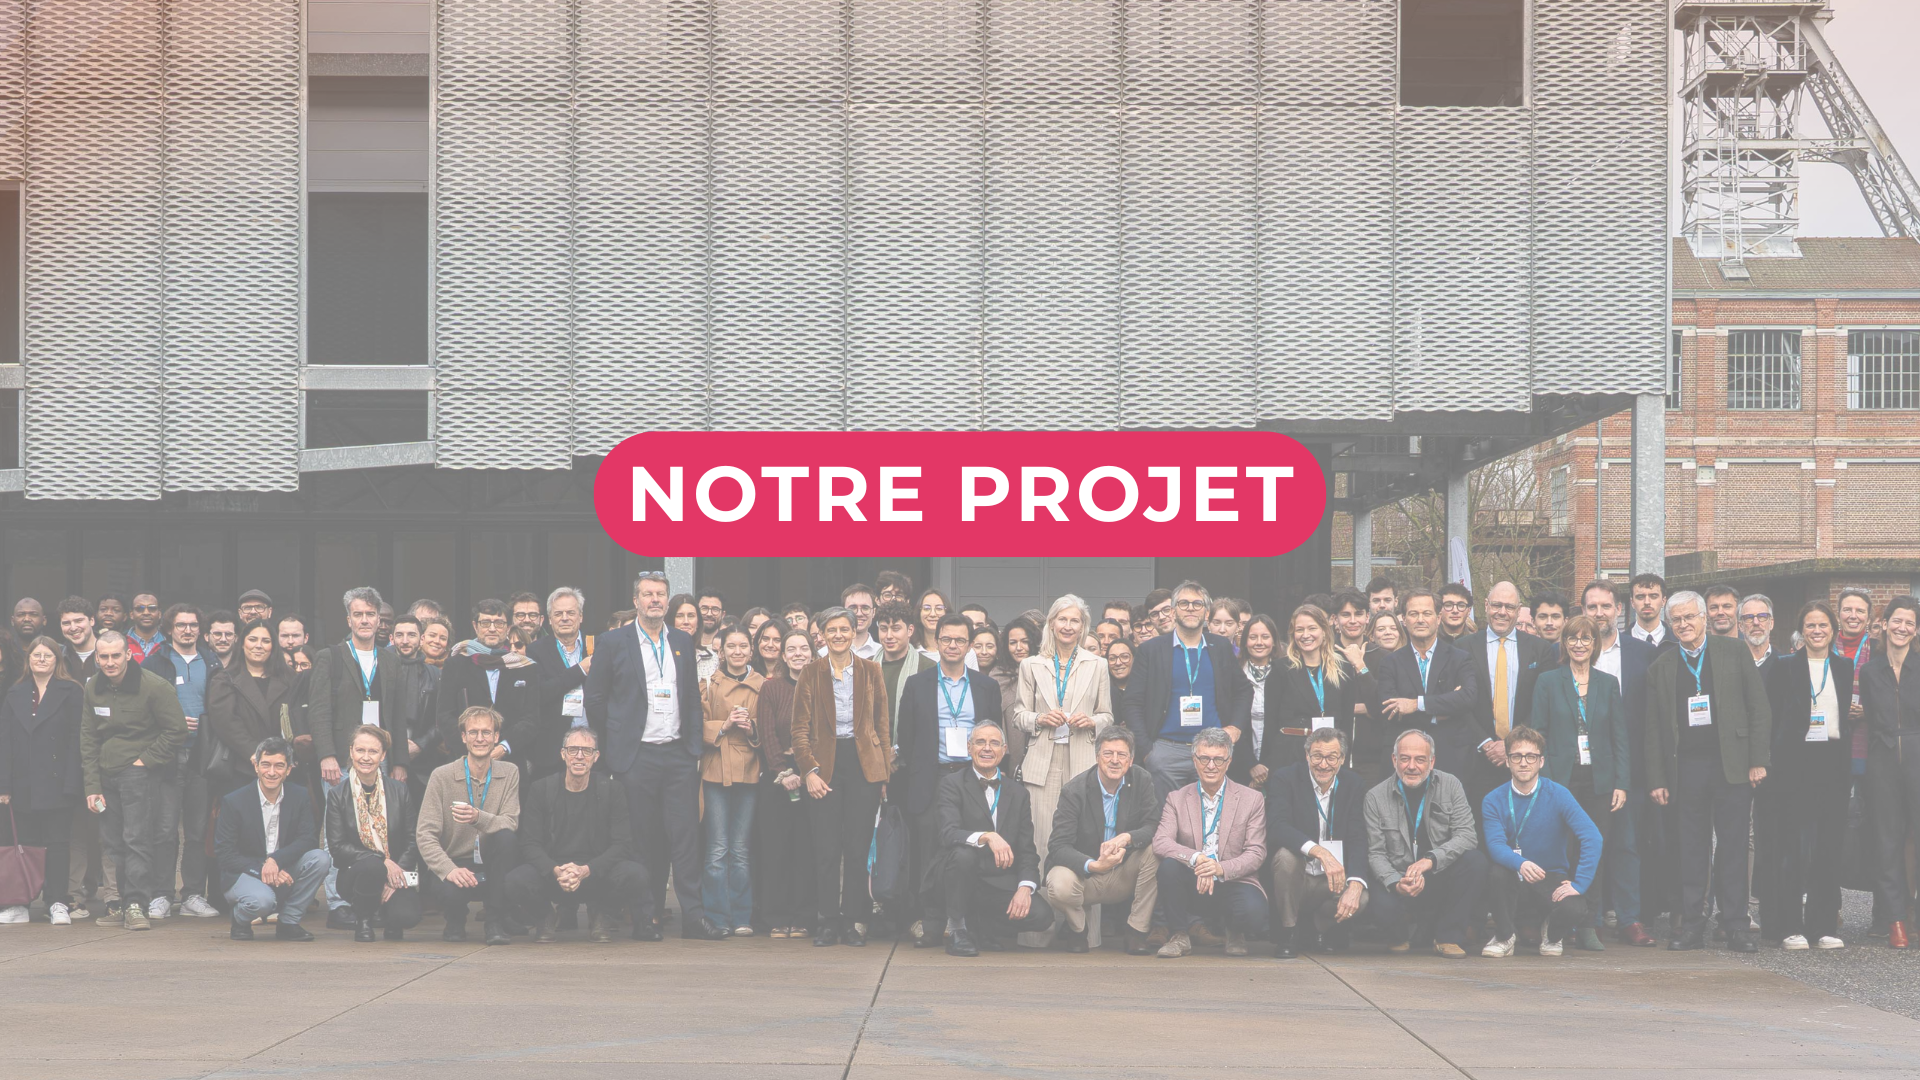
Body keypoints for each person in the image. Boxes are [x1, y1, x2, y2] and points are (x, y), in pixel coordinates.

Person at [582, 571, 725, 940]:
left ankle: (693, 917)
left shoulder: (681, 640)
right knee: (644, 841)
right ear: (636, 601)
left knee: (685, 839)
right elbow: (595, 699)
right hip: (636, 757)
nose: (655, 600)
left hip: (678, 755)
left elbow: (690, 697)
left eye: (661, 594)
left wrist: (693, 747)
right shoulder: (614, 642)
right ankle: (647, 917)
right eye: (648, 594)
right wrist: (614, 746)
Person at [1645, 590, 1772, 952]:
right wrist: (1657, 779)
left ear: (1704, 618)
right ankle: (1691, 925)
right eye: (1677, 619)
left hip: (1732, 765)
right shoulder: (1661, 667)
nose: (1683, 624)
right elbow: (1653, 729)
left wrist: (1757, 759)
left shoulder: (1734, 651)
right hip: (1686, 768)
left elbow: (1758, 708)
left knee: (1733, 847)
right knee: (1691, 849)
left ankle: (1735, 925)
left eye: (1690, 617)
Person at [897, 614, 1004, 948]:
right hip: (932, 778)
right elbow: (906, 736)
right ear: (937, 641)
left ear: (969, 645)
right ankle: (931, 922)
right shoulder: (917, 684)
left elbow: (994, 734)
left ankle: (966, 923)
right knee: (930, 852)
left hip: (973, 779)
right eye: (946, 639)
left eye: (959, 640)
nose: (953, 645)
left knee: (969, 851)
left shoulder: (986, 686)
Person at [790, 606, 892, 947]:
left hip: (864, 766)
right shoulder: (811, 673)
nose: (838, 635)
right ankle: (828, 921)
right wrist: (809, 771)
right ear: (822, 635)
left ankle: (853, 921)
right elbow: (799, 730)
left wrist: (883, 774)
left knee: (858, 848)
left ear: (854, 632)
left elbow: (882, 725)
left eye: (844, 629)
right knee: (827, 849)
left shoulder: (871, 670)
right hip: (825, 766)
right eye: (831, 630)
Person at [1527, 615, 1628, 951]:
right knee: (1562, 851)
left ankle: (1588, 923)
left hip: (1600, 782)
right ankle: (1559, 920)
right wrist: (1541, 781)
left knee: (1592, 850)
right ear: (1564, 643)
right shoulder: (1548, 681)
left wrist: (1621, 783)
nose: (1579, 644)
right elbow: (1538, 732)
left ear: (1594, 644)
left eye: (1586, 638)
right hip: (1560, 780)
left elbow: (1619, 737)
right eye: (1573, 638)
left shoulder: (1607, 683)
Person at [1758, 601, 1851, 950]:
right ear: (1802, 630)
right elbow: (1771, 717)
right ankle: (1789, 926)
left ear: (1833, 630)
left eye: (1823, 625)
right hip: (1793, 766)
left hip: (1833, 763)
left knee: (1828, 847)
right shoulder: (1784, 666)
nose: (1817, 631)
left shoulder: (1843, 667)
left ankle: (1823, 926)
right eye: (1810, 625)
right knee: (1792, 848)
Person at [504, 726, 654, 943]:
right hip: (555, 875)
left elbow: (622, 845)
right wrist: (556, 870)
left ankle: (602, 915)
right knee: (514, 881)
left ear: (596, 757)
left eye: (587, 751)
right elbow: (530, 844)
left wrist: (586, 870)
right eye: (573, 750)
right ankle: (545, 917)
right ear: (563, 754)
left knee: (636, 875)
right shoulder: (541, 789)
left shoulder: (612, 790)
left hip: (596, 875)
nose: (580, 756)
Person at [81, 632, 187, 931]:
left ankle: (137, 905)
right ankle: (123, 903)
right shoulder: (93, 687)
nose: (110, 662)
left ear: (128, 654)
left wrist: (146, 761)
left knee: (136, 840)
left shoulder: (154, 686)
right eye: (104, 656)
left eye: (116, 655)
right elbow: (88, 738)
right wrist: (92, 786)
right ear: (96, 658)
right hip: (106, 775)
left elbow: (177, 730)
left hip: (139, 774)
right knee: (113, 842)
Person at [1583, 579, 1662, 946]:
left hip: (1629, 767)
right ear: (1583, 611)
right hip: (1584, 768)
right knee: (1588, 844)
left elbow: (1651, 714)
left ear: (1618, 609)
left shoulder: (1642, 654)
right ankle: (1592, 918)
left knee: (1627, 844)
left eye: (1605, 606)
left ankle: (1630, 919)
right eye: (1592, 606)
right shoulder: (1569, 651)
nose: (1599, 613)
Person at [1120, 580, 1252, 801]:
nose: (1191, 608)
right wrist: (1148, 752)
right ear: (1173, 611)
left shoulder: (1220, 647)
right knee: (1166, 817)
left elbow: (1244, 691)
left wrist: (1236, 727)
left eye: (1197, 604)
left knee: (1210, 816)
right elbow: (1132, 702)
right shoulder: (1151, 650)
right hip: (1165, 752)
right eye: (1184, 603)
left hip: (1212, 752)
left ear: (1206, 613)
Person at [1479, 726, 1602, 958]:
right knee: (1496, 874)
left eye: (1531, 757)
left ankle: (1552, 934)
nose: (1524, 763)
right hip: (1514, 875)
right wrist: (1521, 863)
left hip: (1549, 876)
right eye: (1517, 756)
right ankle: (1505, 936)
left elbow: (1592, 837)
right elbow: (1495, 845)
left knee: (1575, 907)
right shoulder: (1493, 799)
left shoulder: (1559, 794)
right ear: (1508, 761)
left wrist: (1579, 884)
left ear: (1541, 761)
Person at [1365, 729, 1487, 958]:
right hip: (1398, 878)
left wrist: (1430, 860)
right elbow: (1375, 853)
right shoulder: (1375, 796)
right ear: (1394, 760)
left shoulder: (1451, 785)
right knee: (1378, 900)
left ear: (1432, 762)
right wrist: (1396, 883)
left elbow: (1467, 835)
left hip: (1437, 874)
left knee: (1475, 861)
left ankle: (1448, 937)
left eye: (1420, 759)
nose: (1412, 766)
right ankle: (1399, 935)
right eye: (1405, 759)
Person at [934, 721, 1053, 955]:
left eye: (994, 743)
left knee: (1042, 915)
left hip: (997, 881)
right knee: (963, 855)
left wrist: (1025, 888)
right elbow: (948, 833)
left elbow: (1027, 851)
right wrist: (987, 837)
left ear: (1004, 749)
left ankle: (982, 928)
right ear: (969, 748)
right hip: (958, 876)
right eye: (980, 742)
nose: (987, 748)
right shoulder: (951, 784)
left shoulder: (1018, 793)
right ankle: (957, 929)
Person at [1012, 595, 1111, 876]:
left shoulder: (1098, 665)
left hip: (1082, 758)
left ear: (1083, 627)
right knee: (1040, 834)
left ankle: (1076, 898)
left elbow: (1107, 716)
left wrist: (1091, 721)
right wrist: (1040, 718)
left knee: (1081, 832)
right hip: (1042, 760)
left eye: (1074, 621)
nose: (1068, 626)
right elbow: (1018, 716)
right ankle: (1040, 897)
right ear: (1052, 624)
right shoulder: (1031, 664)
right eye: (1062, 619)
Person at [1151, 727, 1268, 958]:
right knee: (1168, 867)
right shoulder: (1177, 798)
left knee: (1254, 914)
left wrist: (1220, 868)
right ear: (1194, 760)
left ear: (1229, 761)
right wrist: (1197, 859)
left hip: (1232, 879)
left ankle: (1234, 930)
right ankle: (1179, 935)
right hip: (1193, 880)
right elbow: (1161, 841)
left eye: (1218, 759)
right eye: (1204, 758)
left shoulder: (1252, 799)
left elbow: (1256, 852)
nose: (1211, 765)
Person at [1041, 727, 1157, 955]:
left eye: (1121, 755)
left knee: (1158, 850)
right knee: (1058, 882)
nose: (1115, 760)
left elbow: (1153, 826)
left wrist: (1127, 837)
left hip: (1122, 873)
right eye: (1108, 753)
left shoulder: (1141, 779)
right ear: (1097, 757)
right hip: (1086, 876)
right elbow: (1058, 846)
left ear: (1131, 760)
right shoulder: (1074, 790)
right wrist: (1094, 865)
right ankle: (1077, 929)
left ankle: (1136, 931)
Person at [140, 603, 220, 920]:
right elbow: (141, 707)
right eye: (181, 625)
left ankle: (193, 895)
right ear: (169, 628)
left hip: (203, 757)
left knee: (198, 831)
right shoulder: (155, 662)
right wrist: (170, 723)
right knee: (164, 831)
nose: (188, 630)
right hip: (167, 756)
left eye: (193, 625)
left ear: (200, 629)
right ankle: (161, 894)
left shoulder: (212, 662)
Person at [415, 705, 522, 945]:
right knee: (449, 891)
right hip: (455, 861)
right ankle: (455, 919)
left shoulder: (510, 772)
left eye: (486, 732)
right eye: (473, 732)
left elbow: (510, 821)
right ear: (463, 737)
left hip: (490, 862)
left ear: (496, 737)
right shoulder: (441, 775)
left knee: (506, 838)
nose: (480, 738)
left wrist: (477, 817)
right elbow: (425, 834)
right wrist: (449, 869)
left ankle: (494, 920)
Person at [0, 637, 84, 925]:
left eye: (48, 655)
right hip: (22, 783)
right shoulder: (15, 692)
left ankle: (57, 902)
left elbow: (77, 739)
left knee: (58, 844)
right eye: (36, 655)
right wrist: (4, 785)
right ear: (29, 659)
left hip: (58, 782)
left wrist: (73, 783)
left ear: (57, 659)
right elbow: (5, 740)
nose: (42, 660)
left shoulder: (72, 691)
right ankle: (20, 903)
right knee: (24, 844)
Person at [1266, 727, 1370, 958]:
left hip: (1331, 880)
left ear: (1342, 759)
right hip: (1298, 876)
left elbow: (1358, 837)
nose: (1323, 764)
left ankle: (1317, 928)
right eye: (1317, 756)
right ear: (1307, 755)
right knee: (1285, 858)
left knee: (1361, 897)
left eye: (1331, 757)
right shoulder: (1286, 778)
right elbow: (1277, 826)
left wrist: (1355, 884)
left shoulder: (1353, 784)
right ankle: (1288, 932)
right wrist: (1320, 852)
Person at [216, 736, 330, 940]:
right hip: (244, 872)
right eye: (266, 765)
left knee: (320, 859)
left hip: (282, 867)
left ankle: (289, 922)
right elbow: (225, 855)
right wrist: (262, 869)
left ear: (288, 769)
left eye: (279, 766)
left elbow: (308, 839)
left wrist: (275, 861)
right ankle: (240, 919)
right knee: (262, 902)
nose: (271, 772)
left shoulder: (299, 796)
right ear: (256, 766)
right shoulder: (234, 801)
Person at [1858, 596, 1920, 948]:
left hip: (1918, 756)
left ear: (1916, 630)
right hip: (1882, 759)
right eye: (1897, 620)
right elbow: (1871, 716)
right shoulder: (1870, 671)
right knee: (1887, 840)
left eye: (1909, 622)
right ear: (1885, 625)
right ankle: (1894, 918)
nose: (1902, 628)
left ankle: (1916, 916)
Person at [1373, 589, 1481, 789]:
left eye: (1427, 613)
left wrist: (1416, 704)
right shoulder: (1390, 663)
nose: (1420, 620)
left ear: (1438, 618)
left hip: (1452, 757)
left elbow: (1467, 698)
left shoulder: (1459, 658)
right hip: (1404, 762)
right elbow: (1389, 709)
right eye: (1414, 614)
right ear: (1404, 620)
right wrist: (1443, 710)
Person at [325, 725, 424, 942]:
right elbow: (337, 848)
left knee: (407, 916)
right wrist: (381, 861)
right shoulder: (337, 795)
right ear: (351, 752)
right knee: (372, 867)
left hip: (397, 870)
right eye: (360, 750)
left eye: (373, 751)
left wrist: (395, 874)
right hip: (356, 874)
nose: (366, 757)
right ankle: (364, 919)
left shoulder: (399, 790)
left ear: (383, 755)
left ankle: (390, 919)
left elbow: (412, 839)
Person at [1461, 581, 1556, 806]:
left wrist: (1512, 743)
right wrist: (1485, 742)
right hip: (1476, 756)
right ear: (1486, 605)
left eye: (1509, 607)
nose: (1502, 612)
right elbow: (1460, 703)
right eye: (1496, 605)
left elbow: (1543, 704)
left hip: (1524, 757)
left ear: (1518, 609)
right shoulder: (1462, 647)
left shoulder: (1540, 649)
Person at [1261, 606, 1374, 790]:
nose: (1306, 635)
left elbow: (1346, 722)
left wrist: (1343, 759)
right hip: (1290, 753)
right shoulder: (1281, 669)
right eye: (1300, 629)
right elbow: (1270, 722)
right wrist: (1267, 762)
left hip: (1329, 754)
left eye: (1312, 628)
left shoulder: (1343, 669)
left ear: (1324, 631)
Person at [701, 625, 762, 936]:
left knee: (740, 849)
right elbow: (696, 724)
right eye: (731, 646)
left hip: (748, 770)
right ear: (721, 651)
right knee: (717, 849)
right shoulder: (708, 683)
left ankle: (741, 916)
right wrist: (724, 725)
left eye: (743, 646)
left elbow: (771, 730)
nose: (737, 651)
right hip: (716, 769)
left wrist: (752, 728)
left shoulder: (763, 685)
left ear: (751, 651)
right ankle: (716, 916)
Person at [754, 629, 815, 938]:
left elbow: (824, 734)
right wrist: (784, 772)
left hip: (813, 777)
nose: (798, 654)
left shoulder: (822, 687)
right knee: (776, 850)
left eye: (803, 648)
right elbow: (767, 734)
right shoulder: (771, 688)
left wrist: (808, 770)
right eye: (791, 649)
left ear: (813, 653)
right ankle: (776, 916)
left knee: (806, 850)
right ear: (783, 655)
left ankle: (804, 916)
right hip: (777, 779)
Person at [438, 599, 540, 779]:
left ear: (508, 628)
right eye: (485, 623)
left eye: (499, 623)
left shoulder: (525, 667)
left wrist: (504, 747)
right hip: (464, 761)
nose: (492, 629)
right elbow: (444, 716)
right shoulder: (455, 664)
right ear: (475, 626)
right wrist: (474, 748)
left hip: (510, 762)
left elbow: (531, 719)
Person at [205, 621, 298, 797]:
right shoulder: (225, 679)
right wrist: (255, 753)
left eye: (265, 641)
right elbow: (225, 722)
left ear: (273, 646)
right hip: (241, 765)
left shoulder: (289, 678)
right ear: (242, 643)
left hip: (282, 765)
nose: (259, 646)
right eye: (253, 639)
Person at [526, 586, 595, 779]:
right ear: (550, 619)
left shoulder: (597, 645)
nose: (565, 618)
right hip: (552, 747)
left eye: (570, 613)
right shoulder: (536, 650)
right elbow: (540, 693)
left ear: (581, 616)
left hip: (593, 744)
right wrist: (580, 670)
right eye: (558, 614)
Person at [875, 602, 928, 721]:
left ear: (910, 630)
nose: (889, 636)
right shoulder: (867, 666)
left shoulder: (927, 667)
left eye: (895, 629)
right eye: (883, 629)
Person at [835, 584, 882, 661]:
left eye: (865, 608)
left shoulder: (883, 654)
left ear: (873, 612)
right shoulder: (825, 653)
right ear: (843, 612)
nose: (859, 614)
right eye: (853, 608)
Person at [57, 597, 99, 680]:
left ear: (92, 621)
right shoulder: (57, 656)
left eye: (78, 621)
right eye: (66, 623)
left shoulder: (111, 653)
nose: (73, 628)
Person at [1629, 573, 1669, 647]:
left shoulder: (1678, 641)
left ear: (1663, 601)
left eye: (1653, 596)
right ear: (1632, 602)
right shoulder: (1620, 643)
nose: (1647, 602)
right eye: (1640, 597)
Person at [125, 594, 165, 665]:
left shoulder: (170, 643)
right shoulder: (120, 641)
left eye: (152, 608)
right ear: (131, 614)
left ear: (159, 614)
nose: (146, 613)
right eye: (140, 609)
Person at [1740, 594, 1776, 666]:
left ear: (1771, 624)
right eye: (1749, 617)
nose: (1756, 622)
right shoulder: (1731, 663)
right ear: (1741, 626)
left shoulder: (1784, 663)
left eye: (1762, 616)